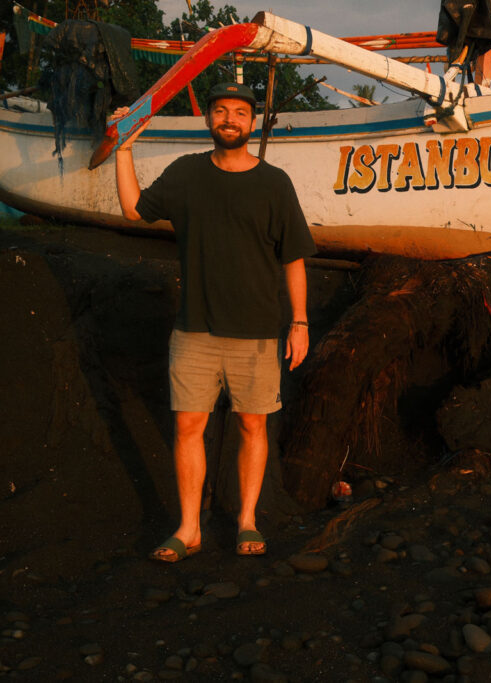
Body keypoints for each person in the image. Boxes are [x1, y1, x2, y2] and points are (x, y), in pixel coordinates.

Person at [114, 82, 316, 562]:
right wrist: (123, 147)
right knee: (188, 426)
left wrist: (300, 322)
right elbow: (134, 209)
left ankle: (246, 520)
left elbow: (293, 258)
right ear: (208, 119)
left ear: (252, 122)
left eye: (240, 112)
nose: (230, 119)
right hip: (195, 330)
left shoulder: (274, 183)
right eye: (221, 110)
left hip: (257, 332)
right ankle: (189, 529)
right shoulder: (186, 173)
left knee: (252, 425)